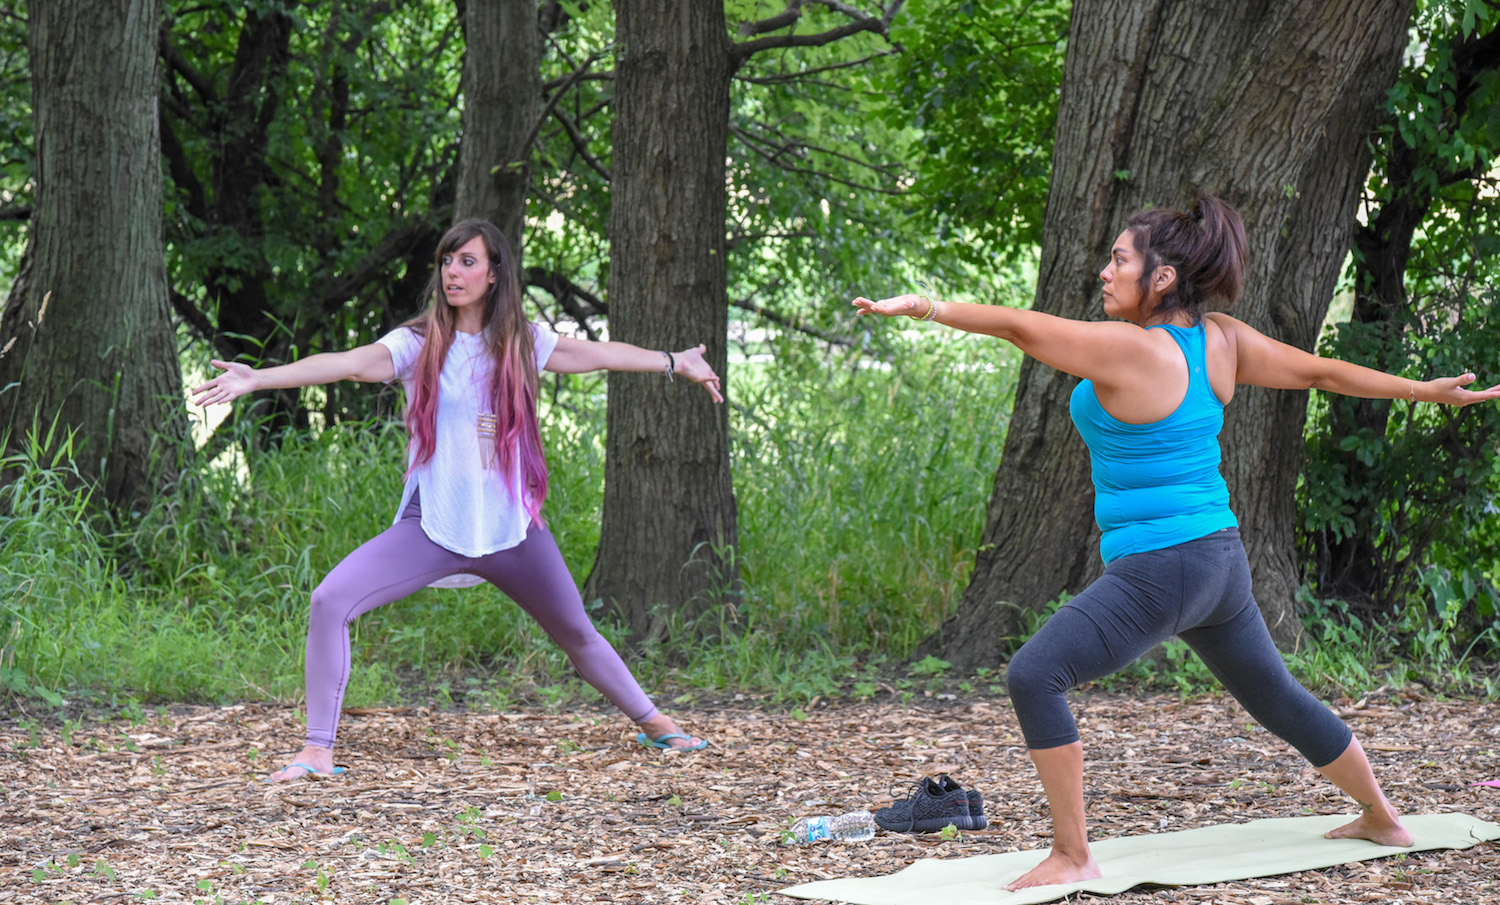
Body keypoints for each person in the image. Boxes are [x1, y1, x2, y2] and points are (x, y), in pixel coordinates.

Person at [853, 195, 1500, 890]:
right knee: (1277, 695)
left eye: (1120, 259)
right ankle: (1382, 815)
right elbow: (1319, 371)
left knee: (1034, 674)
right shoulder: (1221, 340)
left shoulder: (1130, 346)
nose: (1105, 271)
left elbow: (1018, 326)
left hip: (1161, 570)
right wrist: (1424, 392)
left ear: (1161, 278)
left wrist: (923, 305)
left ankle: (1073, 853)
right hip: (1220, 561)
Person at [193, 218, 723, 782]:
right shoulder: (416, 344)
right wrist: (259, 379)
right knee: (329, 602)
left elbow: (598, 354)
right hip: (434, 528)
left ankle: (656, 724)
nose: (453, 271)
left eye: (468, 261)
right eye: (447, 261)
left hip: (511, 530)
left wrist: (674, 360)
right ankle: (317, 750)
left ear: (495, 275)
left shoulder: (522, 341)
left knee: (577, 633)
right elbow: (346, 363)